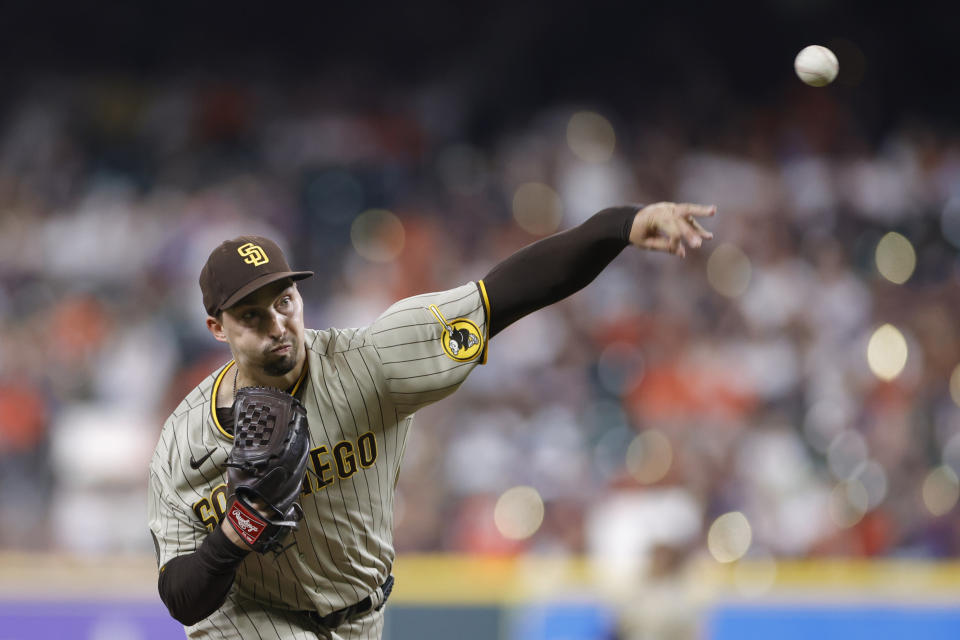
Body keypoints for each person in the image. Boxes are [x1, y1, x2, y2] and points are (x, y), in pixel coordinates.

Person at [147, 201, 716, 639]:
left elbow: (505, 296)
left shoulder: (369, 364)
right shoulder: (185, 443)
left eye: (285, 301)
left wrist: (621, 224)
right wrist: (238, 528)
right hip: (250, 619)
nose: (277, 324)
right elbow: (181, 597)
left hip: (362, 615)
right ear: (217, 329)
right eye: (252, 314)